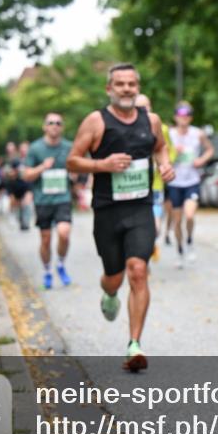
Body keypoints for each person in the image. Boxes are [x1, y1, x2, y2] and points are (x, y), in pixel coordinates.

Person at [67, 63, 174, 372]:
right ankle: (110, 291)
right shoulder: (96, 122)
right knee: (114, 275)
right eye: (120, 84)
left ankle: (134, 344)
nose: (126, 89)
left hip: (141, 208)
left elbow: (161, 148)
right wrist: (103, 165)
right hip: (107, 211)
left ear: (137, 87)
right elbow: (72, 161)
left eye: (131, 84)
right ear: (109, 89)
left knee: (138, 270)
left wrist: (165, 166)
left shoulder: (150, 121)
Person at [23, 112, 74, 290]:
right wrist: (42, 167)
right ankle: (47, 271)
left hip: (63, 198)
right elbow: (27, 175)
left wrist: (75, 173)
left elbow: (78, 168)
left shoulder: (69, 147)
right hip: (43, 200)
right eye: (51, 122)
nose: (54, 125)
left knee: (64, 233)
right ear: (44, 126)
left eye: (58, 123)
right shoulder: (36, 148)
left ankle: (60, 263)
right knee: (45, 240)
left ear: (62, 127)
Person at [165, 102, 213, 267]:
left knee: (190, 215)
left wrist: (201, 160)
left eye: (186, 116)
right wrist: (173, 154)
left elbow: (210, 150)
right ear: (175, 117)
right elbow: (162, 157)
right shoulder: (169, 134)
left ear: (190, 118)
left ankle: (190, 241)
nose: (183, 119)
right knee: (177, 221)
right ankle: (179, 251)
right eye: (180, 116)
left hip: (192, 180)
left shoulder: (198, 133)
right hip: (175, 182)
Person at [134, 94, 173, 261]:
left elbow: (167, 150)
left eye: (146, 106)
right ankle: (140, 256)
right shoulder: (125, 128)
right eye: (139, 107)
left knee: (155, 228)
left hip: (155, 186)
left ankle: (149, 247)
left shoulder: (160, 128)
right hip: (134, 187)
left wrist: (164, 165)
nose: (144, 110)